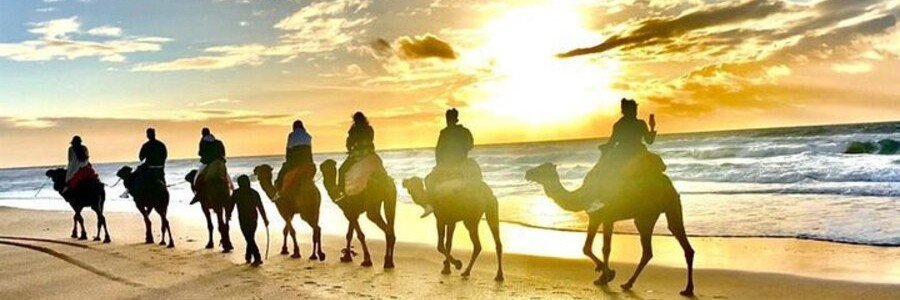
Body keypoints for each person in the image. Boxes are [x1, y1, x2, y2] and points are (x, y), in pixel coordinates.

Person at [232, 175, 269, 266]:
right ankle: (248, 256)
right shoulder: (254, 193)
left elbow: (230, 205)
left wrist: (228, 215)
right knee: (250, 236)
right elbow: (260, 207)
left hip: (243, 218)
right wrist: (265, 219)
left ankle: (257, 257)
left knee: (249, 237)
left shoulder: (237, 193)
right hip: (253, 218)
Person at [337, 112, 376, 194]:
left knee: (342, 170)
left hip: (357, 156)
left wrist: (350, 150)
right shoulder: (369, 129)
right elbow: (372, 139)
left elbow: (349, 143)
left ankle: (341, 191)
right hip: (370, 155)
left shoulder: (353, 130)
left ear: (354, 120)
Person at [275, 120, 314, 195]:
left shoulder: (291, 135)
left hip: (295, 162)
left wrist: (287, 162)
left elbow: (288, 150)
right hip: (308, 162)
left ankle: (279, 193)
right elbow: (309, 151)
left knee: (281, 175)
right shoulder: (308, 136)